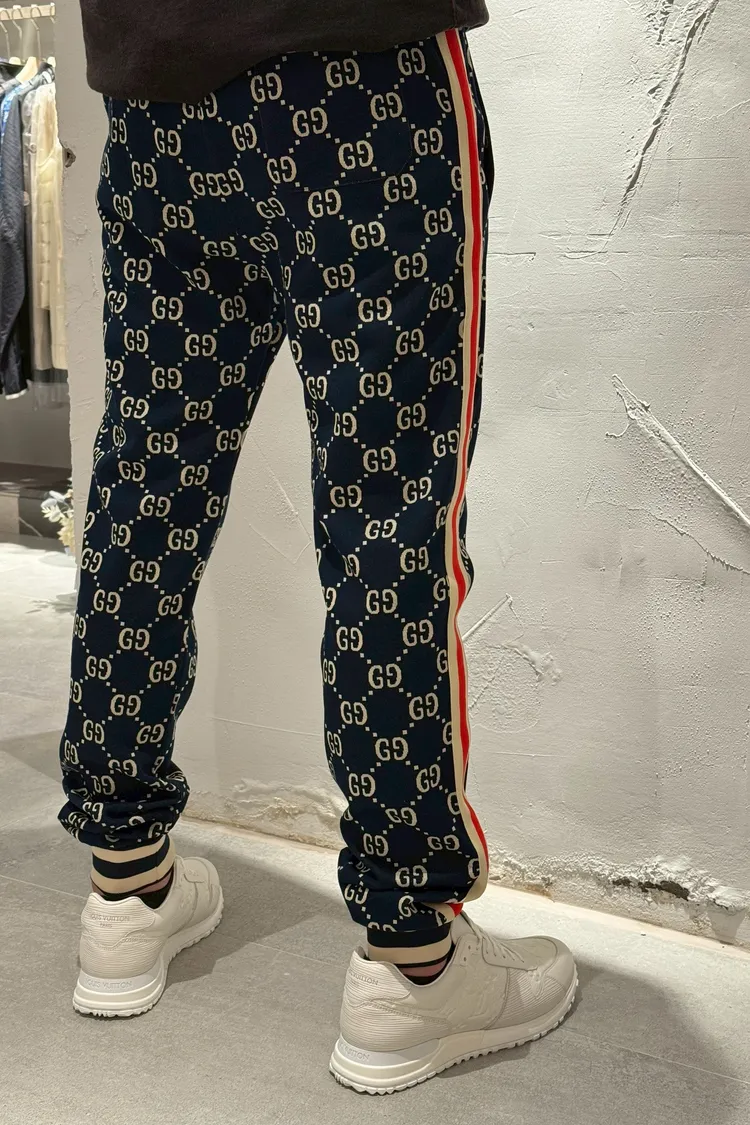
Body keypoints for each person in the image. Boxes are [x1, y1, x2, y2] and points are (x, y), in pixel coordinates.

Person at [60, 0, 577, 1093]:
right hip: (360, 79)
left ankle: (126, 885)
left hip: (157, 101)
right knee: (389, 517)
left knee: (146, 491)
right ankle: (413, 959)